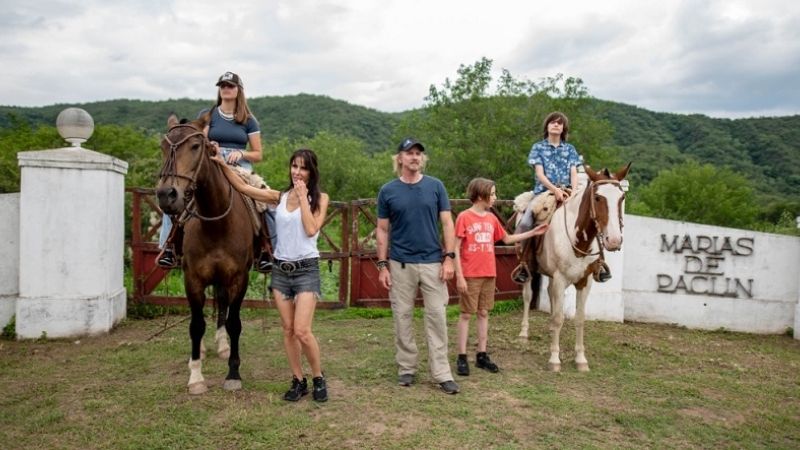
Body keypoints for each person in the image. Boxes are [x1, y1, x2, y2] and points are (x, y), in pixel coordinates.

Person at [214, 148, 330, 403]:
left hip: (306, 270)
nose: (298, 172)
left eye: (303, 168)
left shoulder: (320, 198)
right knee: (288, 330)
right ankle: (298, 380)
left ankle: (318, 377)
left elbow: (311, 229)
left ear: (312, 172)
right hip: (281, 270)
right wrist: (221, 164)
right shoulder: (279, 197)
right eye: (294, 167)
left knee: (302, 331)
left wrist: (302, 198)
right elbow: (244, 189)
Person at [376, 137, 460, 395]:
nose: (414, 157)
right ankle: (407, 368)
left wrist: (449, 257)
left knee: (437, 316)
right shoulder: (388, 191)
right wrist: (382, 265)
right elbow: (382, 229)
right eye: (409, 153)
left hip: (433, 263)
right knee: (402, 316)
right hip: (400, 264)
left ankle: (442, 373)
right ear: (399, 158)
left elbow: (447, 223)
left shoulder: (436, 187)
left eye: (418, 154)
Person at [157, 71, 266, 269]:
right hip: (212, 162)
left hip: (239, 168)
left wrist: (242, 154)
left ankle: (266, 249)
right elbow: (200, 140)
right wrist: (212, 145)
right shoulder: (208, 115)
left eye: (230, 86)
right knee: (176, 193)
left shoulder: (249, 120)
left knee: (264, 201)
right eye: (222, 86)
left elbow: (258, 153)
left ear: (238, 90)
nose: (226, 89)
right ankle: (169, 247)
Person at [453, 178, 549, 376]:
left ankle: (482, 355)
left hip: (489, 273)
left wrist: (532, 232)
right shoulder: (464, 217)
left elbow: (507, 238)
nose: (495, 198)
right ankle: (461, 357)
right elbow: (454, 248)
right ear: (481, 195)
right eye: (493, 193)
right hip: (470, 274)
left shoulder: (491, 219)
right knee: (465, 314)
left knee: (484, 313)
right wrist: (459, 276)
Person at [527, 111, 610, 282]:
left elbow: (574, 172)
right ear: (547, 126)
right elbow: (540, 174)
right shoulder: (538, 147)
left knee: (589, 219)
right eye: (552, 122)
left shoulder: (570, 149)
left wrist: (572, 191)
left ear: (564, 128)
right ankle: (524, 263)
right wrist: (554, 190)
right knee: (527, 219)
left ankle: (599, 262)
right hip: (544, 192)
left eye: (559, 123)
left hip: (567, 192)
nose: (556, 125)